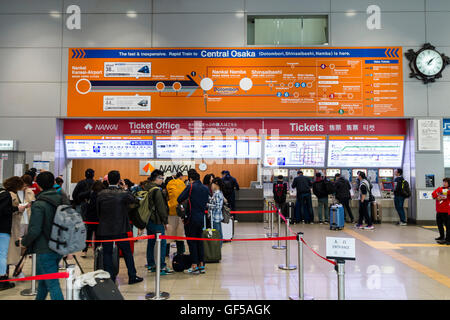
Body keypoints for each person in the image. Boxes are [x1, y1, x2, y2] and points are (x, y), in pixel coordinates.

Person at [20, 171, 64, 299]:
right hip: (59, 245)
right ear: (53, 183)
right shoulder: (61, 198)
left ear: (38, 185)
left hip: (45, 248)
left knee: (53, 284)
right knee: (44, 282)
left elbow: (35, 230)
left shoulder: (39, 204)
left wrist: (23, 241)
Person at [96, 170, 143, 284]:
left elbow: (98, 211)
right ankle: (132, 276)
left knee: (107, 253)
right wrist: (126, 188)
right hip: (120, 228)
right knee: (127, 252)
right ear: (119, 180)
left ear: (107, 180)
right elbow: (135, 201)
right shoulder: (123, 193)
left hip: (105, 228)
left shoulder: (101, 194)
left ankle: (110, 278)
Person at [178, 170, 209, 274]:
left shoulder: (191, 187)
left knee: (192, 242)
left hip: (191, 219)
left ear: (190, 179)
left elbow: (179, 198)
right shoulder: (205, 188)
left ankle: (194, 265)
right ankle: (201, 265)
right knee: (199, 240)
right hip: (201, 218)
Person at [144, 169, 173, 275]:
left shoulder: (146, 187)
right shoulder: (157, 190)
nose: (162, 180)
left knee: (151, 243)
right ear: (157, 178)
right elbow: (161, 208)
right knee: (162, 243)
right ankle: (161, 266)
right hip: (157, 220)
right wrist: (165, 221)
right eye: (162, 178)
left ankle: (151, 264)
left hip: (148, 219)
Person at [0, 180, 27, 291]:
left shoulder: (1, 193)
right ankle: (2, 279)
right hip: (3, 228)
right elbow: (3, 210)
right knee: (2, 254)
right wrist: (17, 209)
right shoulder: (7, 195)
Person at [81, 180, 105, 258]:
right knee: (98, 236)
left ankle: (84, 251)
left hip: (90, 218)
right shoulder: (102, 195)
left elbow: (79, 195)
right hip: (99, 218)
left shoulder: (90, 193)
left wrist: (85, 202)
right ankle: (96, 252)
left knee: (88, 235)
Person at [166, 172, 187, 256]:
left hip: (170, 212)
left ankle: (166, 252)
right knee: (180, 234)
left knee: (168, 234)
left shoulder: (169, 185)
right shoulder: (182, 184)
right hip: (181, 212)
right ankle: (181, 251)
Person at [207, 177, 224, 248]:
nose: (211, 186)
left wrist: (207, 205)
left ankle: (217, 250)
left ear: (216, 184)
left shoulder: (217, 193)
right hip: (218, 216)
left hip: (215, 217)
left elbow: (217, 206)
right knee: (219, 234)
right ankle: (218, 249)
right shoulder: (219, 193)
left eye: (212, 184)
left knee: (217, 234)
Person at [432, 178, 450, 244]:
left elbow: (445, 195)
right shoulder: (439, 188)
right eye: (443, 182)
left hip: (446, 210)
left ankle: (448, 239)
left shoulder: (448, 189)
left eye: (446, 182)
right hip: (439, 210)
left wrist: (439, 194)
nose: (444, 183)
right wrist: (437, 196)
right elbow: (433, 193)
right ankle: (442, 236)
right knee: (439, 224)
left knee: (447, 226)